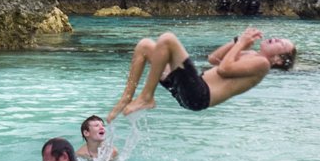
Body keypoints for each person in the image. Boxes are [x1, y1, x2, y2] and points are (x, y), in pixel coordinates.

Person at [106, 27, 296, 122]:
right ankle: (127, 97)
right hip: (190, 91)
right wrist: (238, 41)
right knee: (146, 46)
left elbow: (224, 70)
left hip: (200, 94)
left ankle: (147, 96)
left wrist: (240, 45)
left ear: (278, 60)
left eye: (281, 43)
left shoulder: (262, 64)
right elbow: (214, 59)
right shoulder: (251, 55)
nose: (276, 38)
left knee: (168, 39)